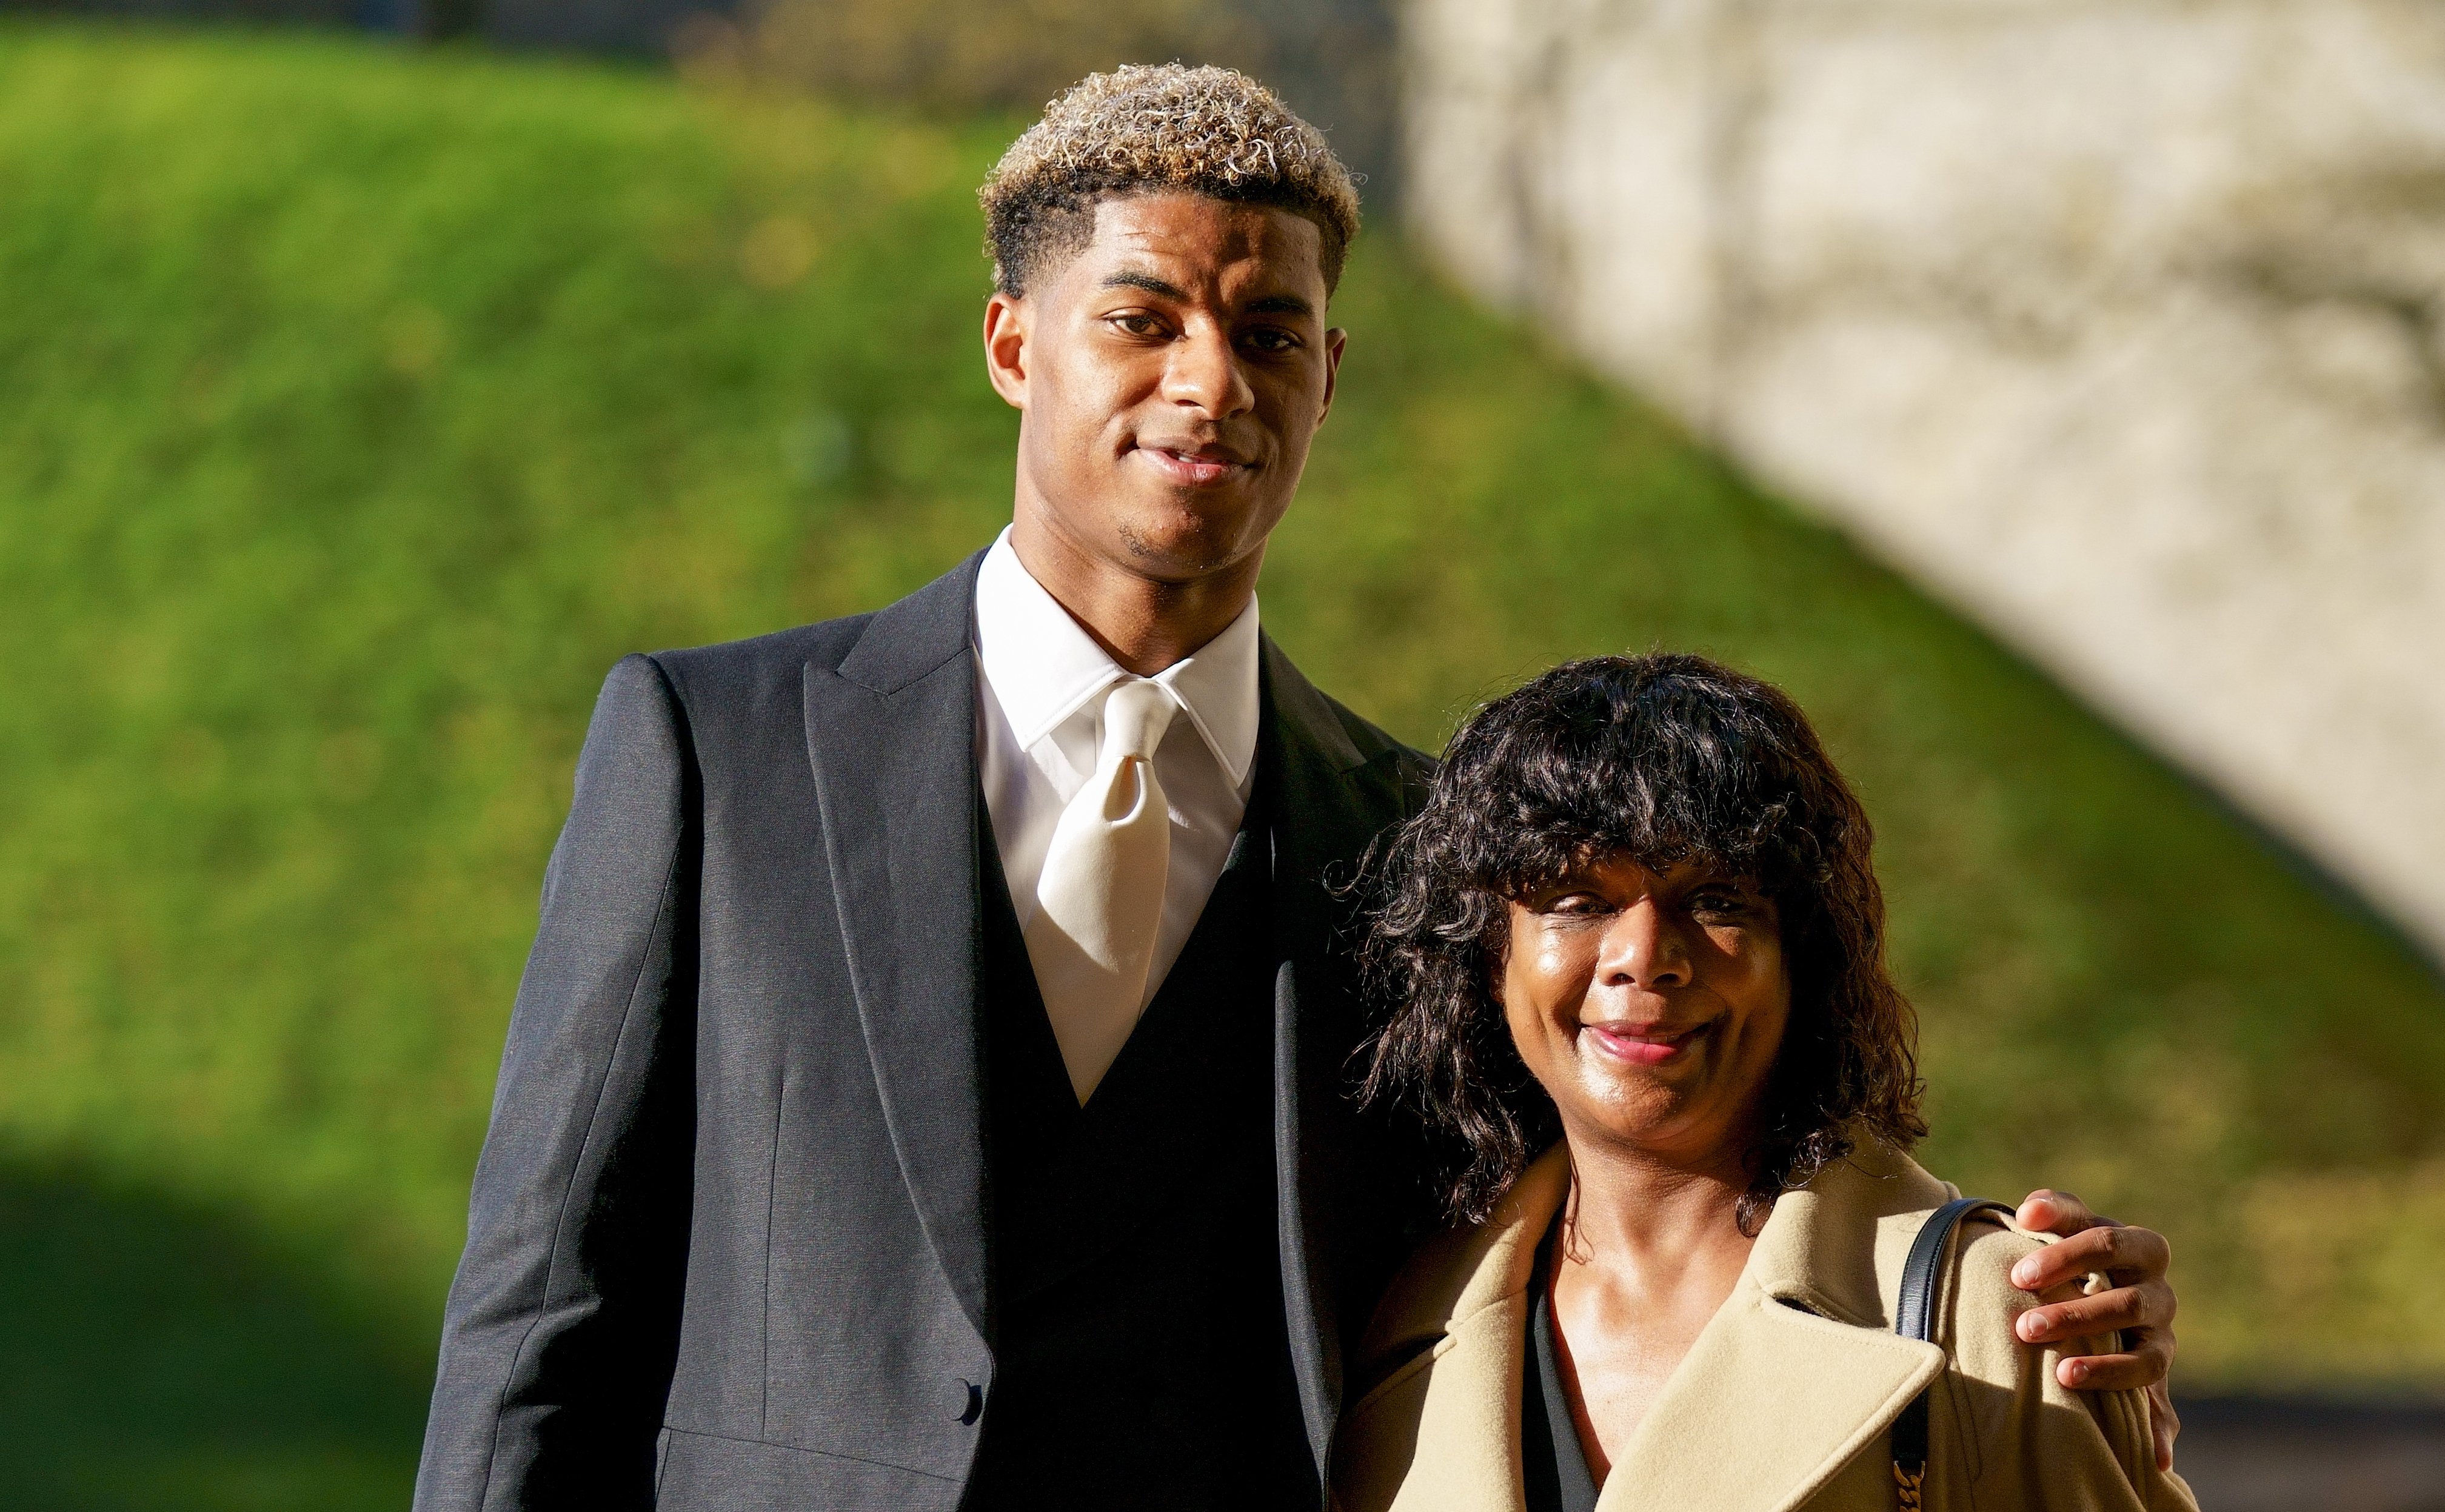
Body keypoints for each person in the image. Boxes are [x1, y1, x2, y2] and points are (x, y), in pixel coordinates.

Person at [411, 66, 2179, 1512]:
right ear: (1014, 345)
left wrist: (1997, 1303)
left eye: (1269, 332)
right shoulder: (717, 749)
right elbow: (541, 1304)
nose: (1209, 381)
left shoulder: (1420, 845)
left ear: (1325, 377)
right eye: (1144, 316)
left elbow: (1638, 1176)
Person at [1332, 654, 2198, 1512]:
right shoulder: (1390, 1331)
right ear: (1491, 958)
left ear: (1800, 959)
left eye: (1715, 898)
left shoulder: (1996, 1316)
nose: (1644, 958)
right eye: (1576, 900)